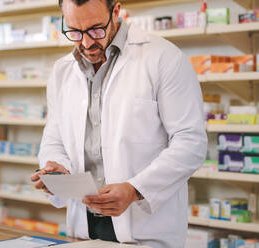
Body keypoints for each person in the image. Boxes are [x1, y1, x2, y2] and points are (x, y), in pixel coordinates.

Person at [30, 0, 207, 247]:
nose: (86, 43)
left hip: (145, 228)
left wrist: (135, 189)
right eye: (75, 31)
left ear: (116, 11)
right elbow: (54, 137)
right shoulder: (62, 71)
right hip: (83, 228)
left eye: (95, 29)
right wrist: (56, 170)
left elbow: (191, 143)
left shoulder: (164, 58)